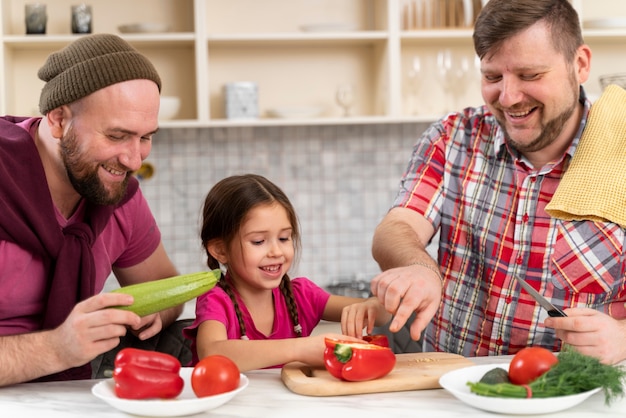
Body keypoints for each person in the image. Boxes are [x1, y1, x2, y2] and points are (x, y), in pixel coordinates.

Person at [344, 0, 626, 365]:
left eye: (529, 75)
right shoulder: (453, 137)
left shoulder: (619, 150)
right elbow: (396, 228)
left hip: (574, 396)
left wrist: (621, 337)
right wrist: (419, 267)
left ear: (581, 64)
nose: (507, 98)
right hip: (449, 388)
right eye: (493, 77)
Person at [0, 34, 184, 386]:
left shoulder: (118, 194)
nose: (134, 160)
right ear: (58, 120)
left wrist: (155, 311)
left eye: (145, 137)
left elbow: (165, 286)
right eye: (117, 136)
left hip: (75, 397)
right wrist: (56, 349)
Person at [183, 174, 388, 371]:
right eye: (258, 241)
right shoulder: (216, 299)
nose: (276, 252)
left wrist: (373, 305)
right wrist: (300, 349)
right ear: (220, 250)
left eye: (284, 238)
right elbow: (212, 353)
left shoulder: (301, 295)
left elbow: (381, 317)